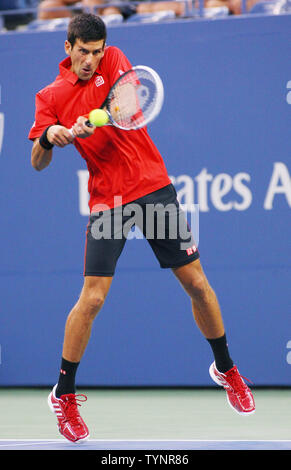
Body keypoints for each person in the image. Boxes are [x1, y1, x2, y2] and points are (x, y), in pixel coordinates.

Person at [28, 12, 255, 443]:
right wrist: (51, 135)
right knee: (92, 298)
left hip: (153, 187)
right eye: (83, 52)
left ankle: (226, 369)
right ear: (67, 48)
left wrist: (86, 122)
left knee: (197, 284)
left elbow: (126, 108)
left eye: (96, 52)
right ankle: (64, 392)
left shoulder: (115, 59)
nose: (91, 60)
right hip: (107, 200)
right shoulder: (49, 95)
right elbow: (37, 162)